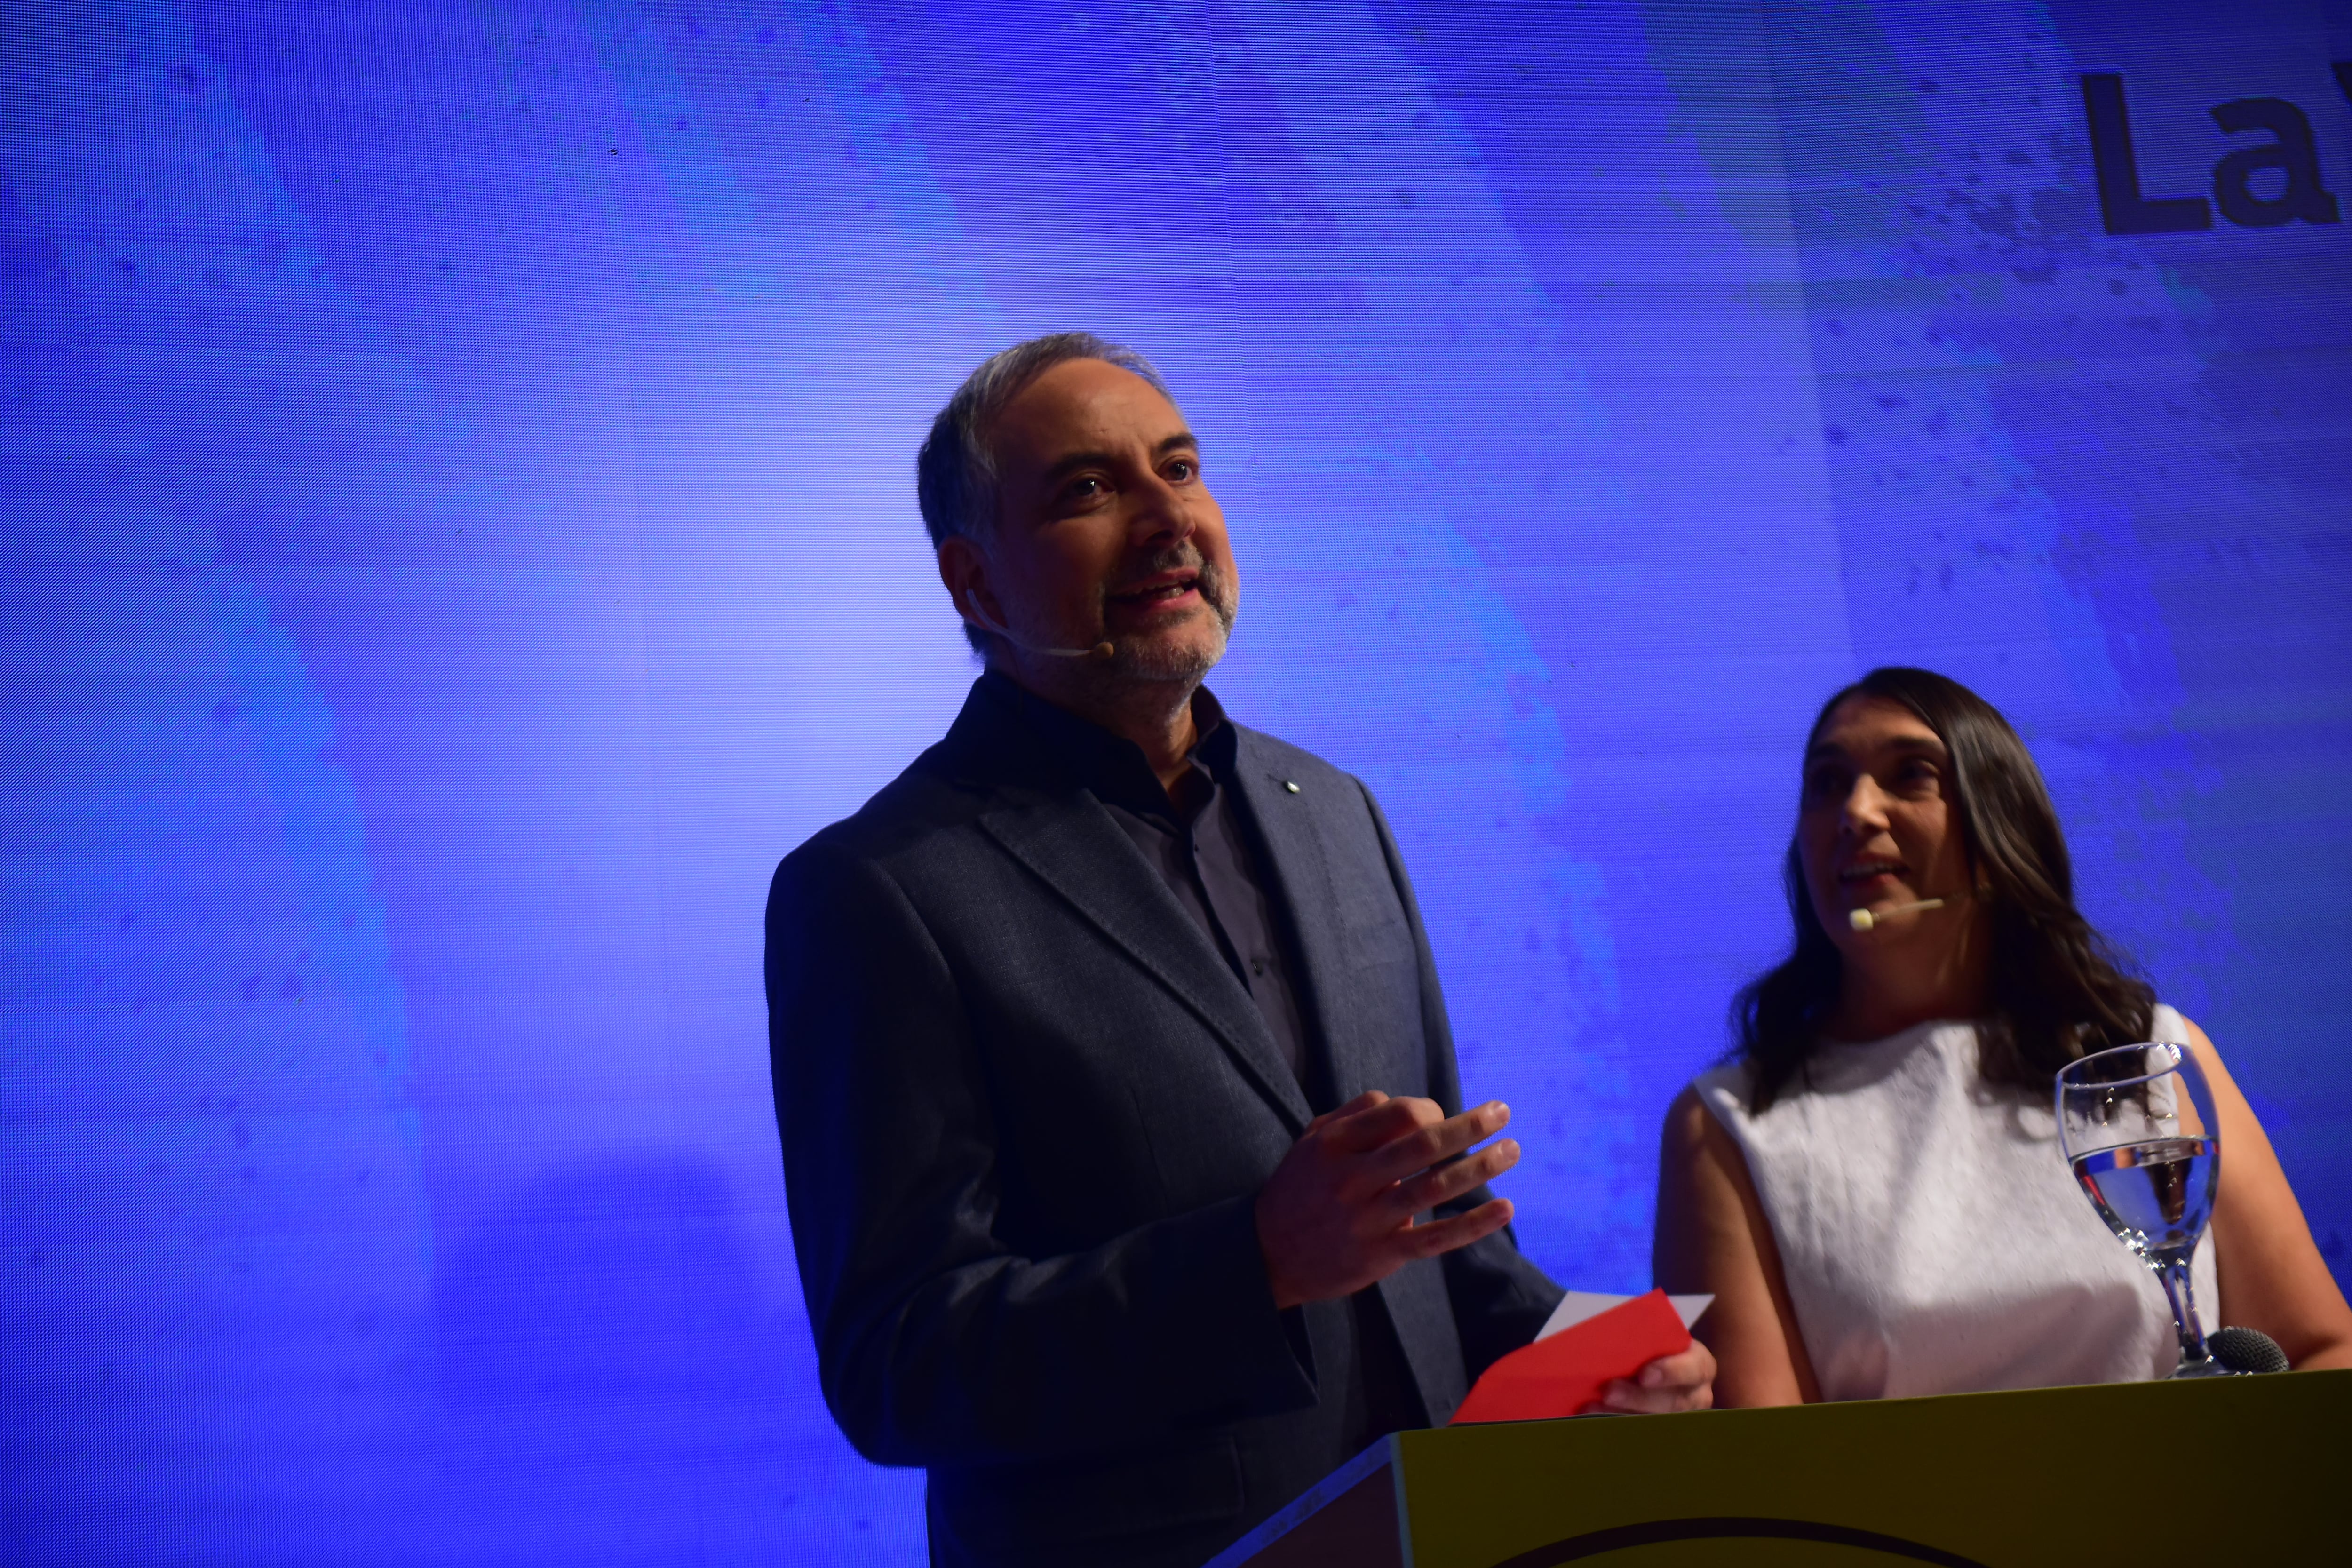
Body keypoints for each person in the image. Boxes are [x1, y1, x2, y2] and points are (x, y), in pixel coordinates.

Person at [767, 334, 1713, 1568]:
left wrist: (1592, 1353)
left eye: (1181, 468)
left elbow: (1439, 1248)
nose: (1167, 518)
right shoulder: (878, 887)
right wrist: (1252, 1260)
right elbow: (901, 1360)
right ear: (975, 583)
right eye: (1090, 489)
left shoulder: (1335, 808)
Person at [1654, 666, 2352, 1406]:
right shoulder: (1727, 1124)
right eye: (1827, 783)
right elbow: (1768, 1470)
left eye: (1911, 775)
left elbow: (2321, 1349)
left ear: (2000, 823)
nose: (1856, 810)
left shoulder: (2149, 1053)